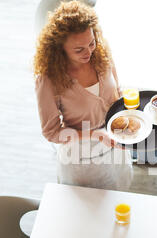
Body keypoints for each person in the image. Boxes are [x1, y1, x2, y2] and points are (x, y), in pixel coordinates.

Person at [33, 0, 132, 190]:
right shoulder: (48, 79)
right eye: (79, 50)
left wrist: (128, 111)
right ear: (60, 49)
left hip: (116, 146)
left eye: (91, 43)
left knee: (119, 194)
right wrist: (95, 134)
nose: (89, 52)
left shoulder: (100, 51)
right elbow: (51, 132)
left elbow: (118, 88)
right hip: (81, 159)